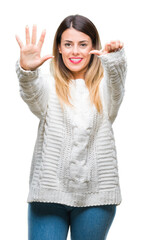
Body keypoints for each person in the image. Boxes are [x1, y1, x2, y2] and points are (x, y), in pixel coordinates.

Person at [15, 14, 127, 240]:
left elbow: (117, 84)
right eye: (68, 44)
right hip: (49, 195)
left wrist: (115, 60)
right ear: (59, 48)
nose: (75, 51)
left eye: (82, 44)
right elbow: (32, 94)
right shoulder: (48, 86)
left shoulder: (105, 90)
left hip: (96, 198)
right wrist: (27, 72)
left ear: (93, 47)